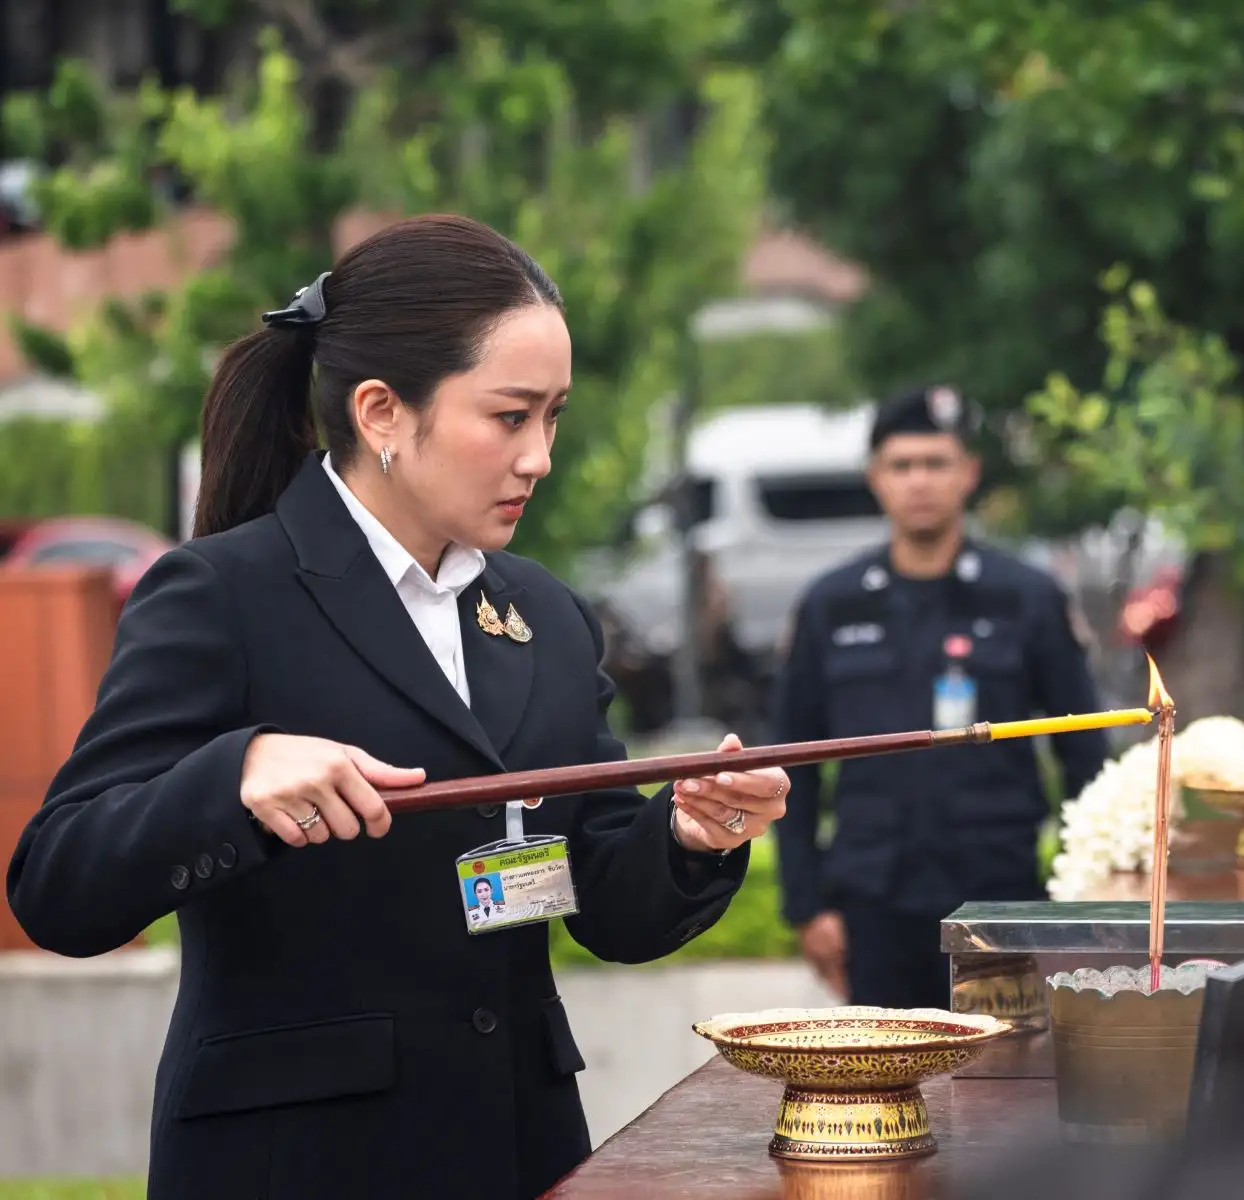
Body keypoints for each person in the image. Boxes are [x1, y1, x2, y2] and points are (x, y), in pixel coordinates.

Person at [4, 214, 790, 1200]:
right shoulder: (222, 595)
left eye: (555, 416)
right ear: (381, 413)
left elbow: (597, 896)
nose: (540, 455)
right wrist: (235, 776)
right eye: (510, 417)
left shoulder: (543, 613)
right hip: (299, 1163)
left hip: (521, 1148)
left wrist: (688, 834)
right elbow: (58, 887)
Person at [772, 385, 1108, 1009]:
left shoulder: (1027, 598)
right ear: (876, 478)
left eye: (936, 463)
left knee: (1005, 1093)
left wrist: (1087, 894)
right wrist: (805, 906)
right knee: (886, 1091)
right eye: (902, 466)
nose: (919, 481)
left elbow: (1084, 752)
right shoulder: (832, 605)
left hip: (1000, 899)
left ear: (969, 474)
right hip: (873, 905)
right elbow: (793, 765)